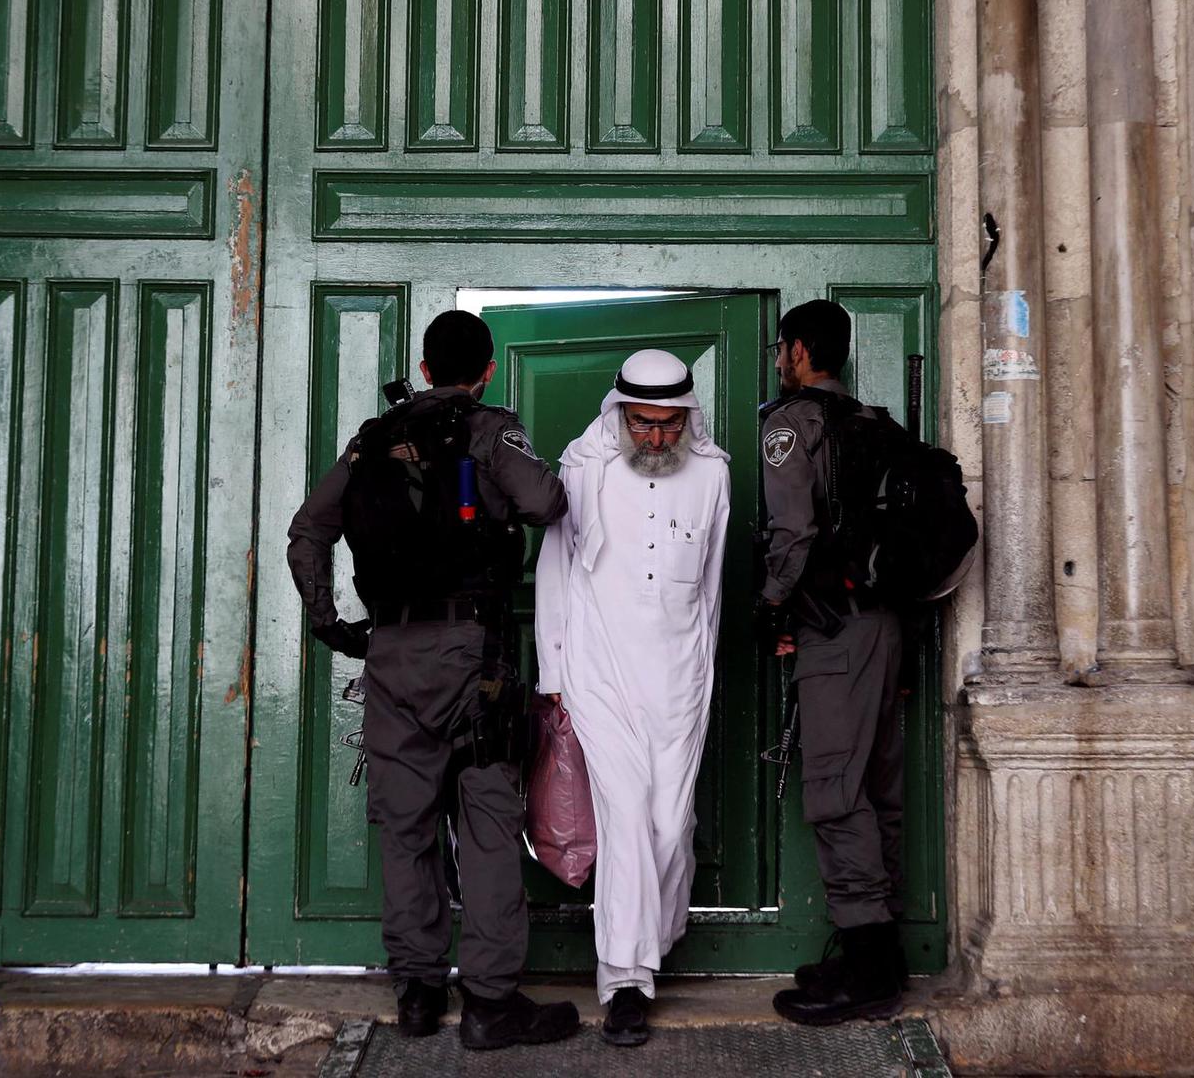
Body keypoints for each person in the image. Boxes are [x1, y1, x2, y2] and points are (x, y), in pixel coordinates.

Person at [287, 310, 579, 1051]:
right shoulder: (489, 429)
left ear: (422, 370)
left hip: (391, 653)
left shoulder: (372, 439)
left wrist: (329, 622)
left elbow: (308, 529)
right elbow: (546, 503)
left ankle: (417, 992)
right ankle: (490, 1003)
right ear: (487, 370)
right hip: (472, 654)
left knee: (406, 827)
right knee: (486, 825)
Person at [533, 349, 732, 1046]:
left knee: (669, 826)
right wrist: (553, 679)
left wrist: (704, 670)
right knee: (623, 820)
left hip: (680, 678)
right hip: (598, 672)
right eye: (642, 424)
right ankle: (625, 979)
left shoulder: (713, 473)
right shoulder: (583, 466)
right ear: (618, 414)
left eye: (668, 424)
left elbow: (710, 587)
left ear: (687, 418)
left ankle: (654, 936)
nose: (654, 437)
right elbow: (555, 572)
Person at [758, 300, 913, 1025]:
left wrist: (770, 608)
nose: (778, 360)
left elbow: (792, 532)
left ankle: (869, 971)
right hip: (886, 626)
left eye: (780, 348)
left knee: (834, 790)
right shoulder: (879, 424)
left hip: (834, 629)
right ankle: (878, 953)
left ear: (797, 350)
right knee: (876, 788)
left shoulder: (792, 425)